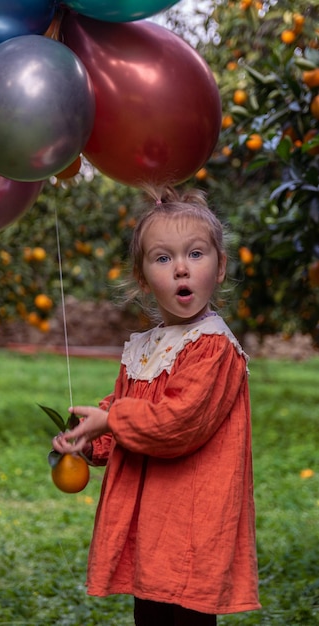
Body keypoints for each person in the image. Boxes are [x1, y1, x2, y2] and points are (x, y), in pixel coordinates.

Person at [52, 187, 261, 625]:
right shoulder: (147, 347)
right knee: (149, 612)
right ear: (143, 277)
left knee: (181, 613)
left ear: (220, 267)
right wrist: (90, 438)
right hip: (151, 521)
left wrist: (112, 419)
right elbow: (125, 409)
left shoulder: (213, 347)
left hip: (189, 519)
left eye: (196, 254)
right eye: (163, 258)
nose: (181, 268)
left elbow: (180, 421)